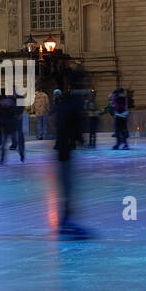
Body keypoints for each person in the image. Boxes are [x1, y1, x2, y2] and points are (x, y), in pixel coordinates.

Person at [54, 84, 92, 238]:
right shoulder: (69, 109)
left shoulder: (63, 108)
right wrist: (80, 140)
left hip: (64, 151)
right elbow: (72, 127)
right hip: (65, 151)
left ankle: (66, 218)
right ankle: (66, 219)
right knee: (67, 186)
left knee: (67, 185)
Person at [0, 93, 25, 164]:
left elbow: (20, 110)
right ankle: (2, 158)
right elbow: (0, 119)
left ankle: (21, 154)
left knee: (16, 142)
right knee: (3, 145)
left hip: (12, 128)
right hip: (7, 129)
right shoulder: (3, 111)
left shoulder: (14, 108)